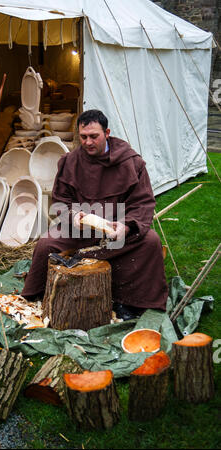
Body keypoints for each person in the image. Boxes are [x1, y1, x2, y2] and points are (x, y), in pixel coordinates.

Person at [21, 109, 169, 321]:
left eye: (94, 136)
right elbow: (61, 200)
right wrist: (72, 216)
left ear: (107, 133)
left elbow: (142, 202)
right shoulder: (70, 162)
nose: (88, 142)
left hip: (115, 230)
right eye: (83, 137)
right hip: (79, 230)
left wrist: (125, 226)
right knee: (46, 244)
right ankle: (41, 294)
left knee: (151, 243)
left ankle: (131, 302)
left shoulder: (131, 162)